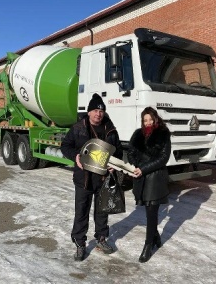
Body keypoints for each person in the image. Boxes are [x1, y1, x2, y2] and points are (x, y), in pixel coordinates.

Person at [61, 93, 123, 261]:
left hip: (103, 178)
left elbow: (118, 150)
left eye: (101, 111)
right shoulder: (78, 127)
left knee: (102, 211)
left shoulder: (110, 129)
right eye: (95, 110)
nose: (98, 114)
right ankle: (80, 244)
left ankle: (101, 239)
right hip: (84, 179)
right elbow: (65, 146)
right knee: (81, 211)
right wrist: (76, 156)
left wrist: (114, 165)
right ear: (89, 112)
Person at [127, 106, 171, 263]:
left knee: (151, 211)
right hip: (141, 179)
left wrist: (143, 168)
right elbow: (130, 152)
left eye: (150, 119)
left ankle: (148, 245)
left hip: (155, 178)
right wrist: (135, 165)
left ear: (155, 119)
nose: (147, 123)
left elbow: (163, 158)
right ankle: (156, 236)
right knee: (148, 210)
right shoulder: (138, 134)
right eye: (145, 120)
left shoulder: (163, 134)